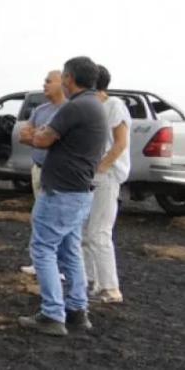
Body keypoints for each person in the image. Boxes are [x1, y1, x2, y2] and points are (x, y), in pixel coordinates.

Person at [19, 56, 107, 337]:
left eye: (62, 78)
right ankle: (77, 311)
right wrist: (39, 133)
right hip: (80, 191)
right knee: (71, 251)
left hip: (61, 191)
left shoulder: (76, 106)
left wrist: (30, 136)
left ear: (69, 78)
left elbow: (42, 139)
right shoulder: (95, 105)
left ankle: (52, 314)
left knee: (43, 248)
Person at [83, 65, 131, 304]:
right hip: (92, 177)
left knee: (99, 232)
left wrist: (101, 168)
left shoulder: (114, 106)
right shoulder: (95, 107)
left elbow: (120, 143)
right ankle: (92, 281)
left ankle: (111, 288)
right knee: (85, 232)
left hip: (107, 176)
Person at [18, 70, 66, 275]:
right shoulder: (40, 109)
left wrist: (40, 137)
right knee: (39, 217)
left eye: (48, 81)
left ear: (62, 83)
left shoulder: (69, 110)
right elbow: (24, 135)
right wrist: (41, 137)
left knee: (59, 220)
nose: (44, 84)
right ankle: (39, 263)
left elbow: (55, 141)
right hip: (38, 169)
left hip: (59, 174)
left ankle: (60, 266)